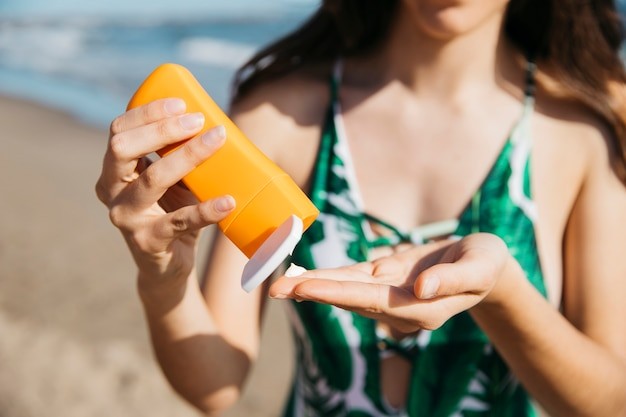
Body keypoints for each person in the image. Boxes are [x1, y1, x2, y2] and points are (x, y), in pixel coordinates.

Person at [95, 0, 626, 416]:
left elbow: (608, 405)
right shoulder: (284, 116)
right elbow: (215, 388)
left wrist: (503, 293)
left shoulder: (578, 138)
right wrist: (164, 274)